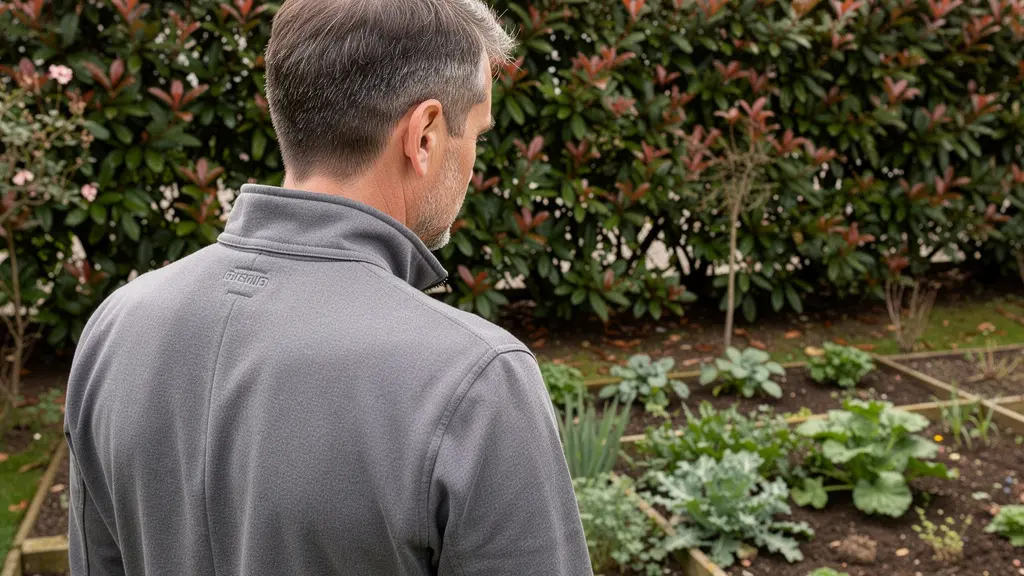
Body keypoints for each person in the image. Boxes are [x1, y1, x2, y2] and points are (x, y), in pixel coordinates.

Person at [63, 0, 592, 574]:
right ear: (425, 134)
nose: (473, 164)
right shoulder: (477, 381)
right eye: (478, 136)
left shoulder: (116, 328)